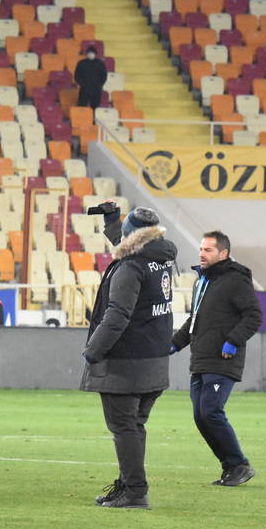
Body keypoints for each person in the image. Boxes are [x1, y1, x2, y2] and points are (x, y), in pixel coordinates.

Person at [84, 206, 176, 510]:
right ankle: (128, 484)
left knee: (124, 427)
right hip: (154, 360)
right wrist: (113, 224)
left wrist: (93, 350)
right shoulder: (159, 260)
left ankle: (135, 490)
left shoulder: (131, 267)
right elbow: (129, 246)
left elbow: (117, 315)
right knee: (135, 426)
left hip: (126, 363)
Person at [171, 231, 263, 487]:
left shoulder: (235, 280)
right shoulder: (202, 281)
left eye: (208, 249)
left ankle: (239, 464)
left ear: (224, 253)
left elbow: (254, 316)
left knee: (210, 411)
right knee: (201, 416)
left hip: (223, 358)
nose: (201, 253)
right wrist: (174, 343)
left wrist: (233, 341)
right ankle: (231, 467)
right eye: (201, 248)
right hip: (201, 358)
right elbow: (195, 319)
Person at [74, 44, 107, 110]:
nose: (90, 55)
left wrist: (99, 85)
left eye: (92, 53)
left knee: (95, 107)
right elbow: (76, 76)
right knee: (82, 107)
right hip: (84, 89)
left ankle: (94, 120)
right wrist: (82, 84)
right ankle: (83, 120)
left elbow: (104, 76)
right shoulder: (81, 63)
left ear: (95, 54)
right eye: (89, 53)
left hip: (96, 89)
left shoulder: (100, 64)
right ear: (86, 54)